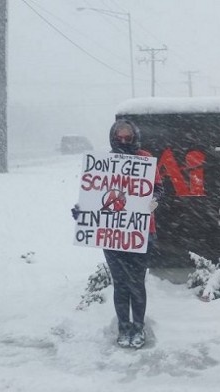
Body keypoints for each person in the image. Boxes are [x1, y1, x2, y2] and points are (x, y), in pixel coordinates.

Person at [73, 119, 164, 349]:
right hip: (112, 235)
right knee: (121, 284)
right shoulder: (105, 162)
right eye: (119, 137)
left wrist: (149, 207)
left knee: (137, 284)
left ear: (135, 137)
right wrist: (82, 212)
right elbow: (94, 195)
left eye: (128, 137)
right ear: (113, 137)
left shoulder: (145, 158)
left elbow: (159, 191)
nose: (123, 140)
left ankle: (138, 327)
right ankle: (124, 328)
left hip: (141, 233)